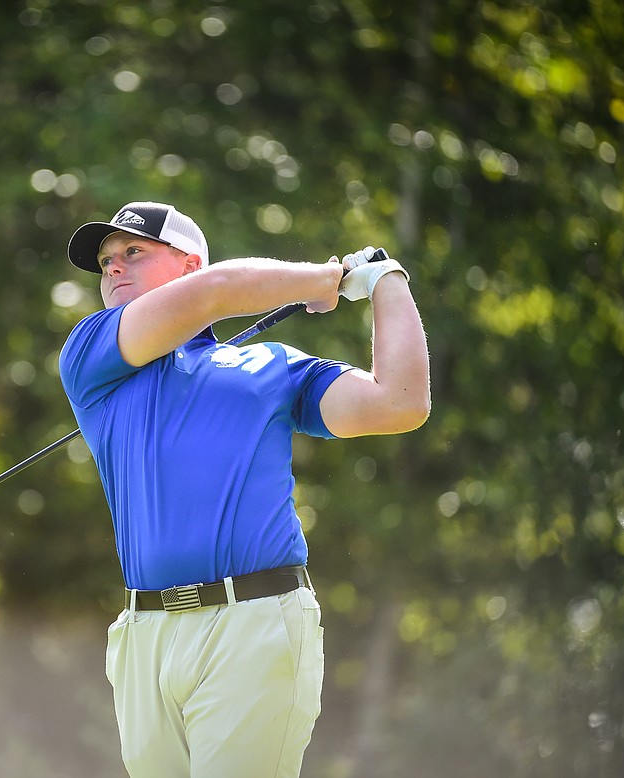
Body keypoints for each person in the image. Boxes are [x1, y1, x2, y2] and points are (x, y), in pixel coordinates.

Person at [58, 201, 430, 777]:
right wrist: (327, 280)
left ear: (190, 263)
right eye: (106, 260)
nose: (114, 267)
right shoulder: (91, 354)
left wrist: (386, 281)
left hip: (253, 621)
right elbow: (217, 291)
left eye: (135, 251)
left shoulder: (273, 367)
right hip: (143, 633)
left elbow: (400, 402)